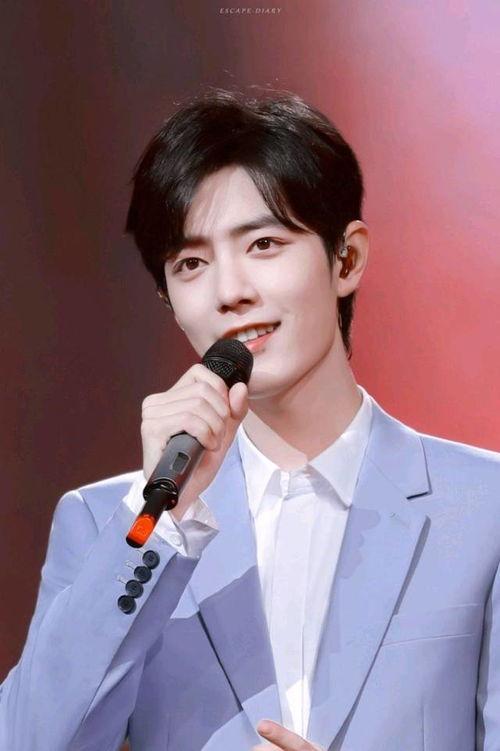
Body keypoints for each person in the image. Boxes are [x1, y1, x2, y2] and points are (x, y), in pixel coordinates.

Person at [1, 88, 499, 751]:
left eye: (263, 243)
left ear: (346, 258)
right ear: (169, 298)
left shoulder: (485, 507)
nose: (230, 291)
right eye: (191, 263)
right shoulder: (107, 526)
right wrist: (162, 516)